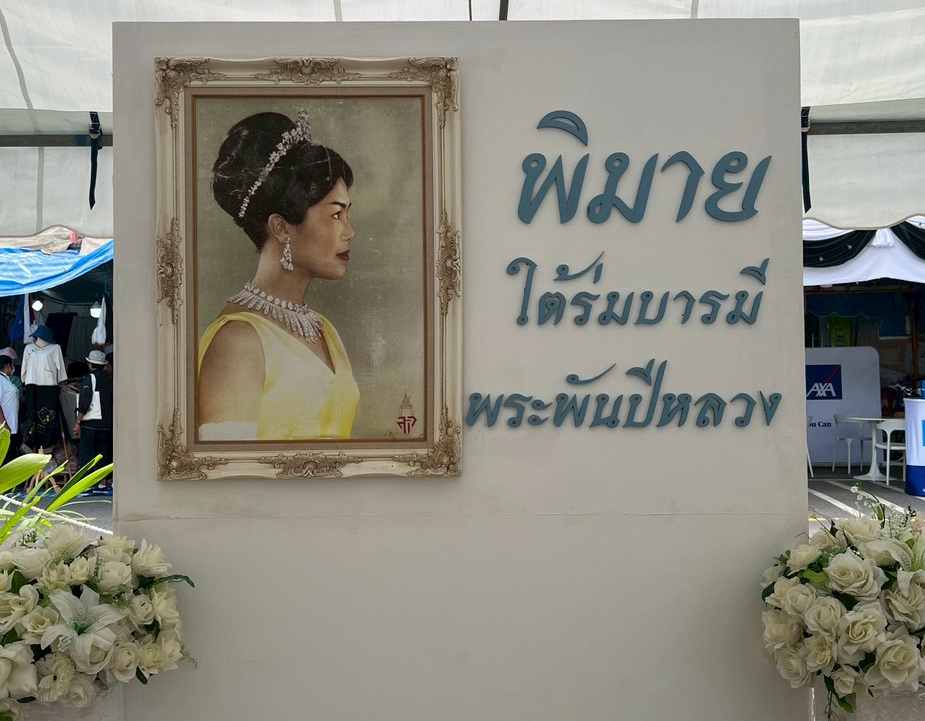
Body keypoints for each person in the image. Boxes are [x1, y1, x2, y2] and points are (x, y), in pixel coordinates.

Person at [198, 110, 360, 442]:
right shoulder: (238, 342)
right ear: (281, 227)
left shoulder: (323, 329)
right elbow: (229, 469)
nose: (350, 232)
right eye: (336, 215)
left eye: (347, 215)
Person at [73, 350, 113, 492]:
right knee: (103, 453)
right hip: (107, 422)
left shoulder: (89, 378)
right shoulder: (109, 379)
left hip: (91, 422)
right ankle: (104, 482)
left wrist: (78, 421)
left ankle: (87, 483)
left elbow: (85, 400)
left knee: (87, 453)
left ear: (90, 364)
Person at [0, 355, 20, 462]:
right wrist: (4, 423)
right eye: (12, 365)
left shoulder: (6, 380)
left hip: (11, 424)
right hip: (4, 426)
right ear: (8, 365)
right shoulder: (0, 380)